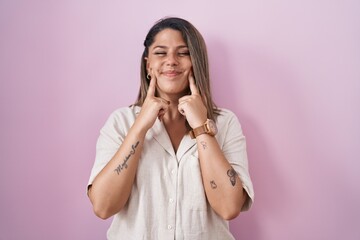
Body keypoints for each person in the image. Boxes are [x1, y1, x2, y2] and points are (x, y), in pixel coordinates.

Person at [87, 17, 254, 240]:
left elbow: (229, 207)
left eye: (183, 53)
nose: (171, 61)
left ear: (196, 62)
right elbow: (103, 206)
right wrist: (140, 127)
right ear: (148, 64)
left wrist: (201, 127)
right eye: (160, 52)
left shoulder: (225, 123)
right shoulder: (120, 122)